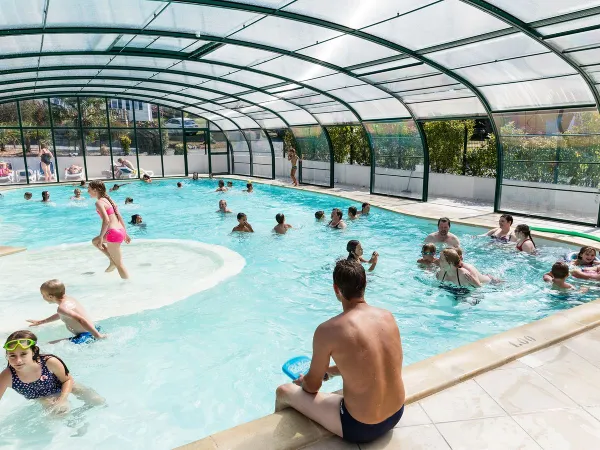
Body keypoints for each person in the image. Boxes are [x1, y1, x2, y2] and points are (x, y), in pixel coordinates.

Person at [275, 260, 405, 444]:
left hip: (361, 427)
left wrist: (303, 382)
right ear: (365, 283)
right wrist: (330, 371)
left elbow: (312, 387)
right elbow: (370, 362)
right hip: (396, 413)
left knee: (284, 391)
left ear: (336, 289)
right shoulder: (387, 316)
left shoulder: (328, 330)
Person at [0, 330, 104, 413]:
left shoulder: (49, 362)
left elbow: (67, 380)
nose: (18, 360)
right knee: (60, 412)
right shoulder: (7, 376)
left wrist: (63, 398)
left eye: (23, 354)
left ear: (34, 351)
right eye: (12, 355)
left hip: (65, 386)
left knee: (98, 401)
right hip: (43, 398)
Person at [27, 280, 106, 344]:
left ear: (50, 296)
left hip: (86, 336)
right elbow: (62, 315)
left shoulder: (62, 308)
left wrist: (97, 335)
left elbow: (81, 320)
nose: (43, 297)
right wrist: (41, 322)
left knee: (47, 345)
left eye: (43, 295)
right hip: (94, 329)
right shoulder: (70, 300)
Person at [88, 180, 130, 279]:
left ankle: (128, 286)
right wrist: (125, 233)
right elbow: (119, 216)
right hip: (120, 230)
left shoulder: (99, 203)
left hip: (113, 233)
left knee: (119, 264)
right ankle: (111, 260)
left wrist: (102, 237)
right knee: (95, 241)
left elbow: (106, 221)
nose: (88, 192)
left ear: (95, 190)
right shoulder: (109, 200)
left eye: (89, 189)